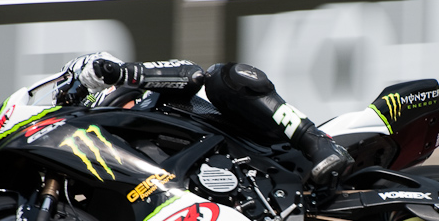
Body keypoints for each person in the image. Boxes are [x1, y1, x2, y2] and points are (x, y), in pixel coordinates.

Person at [59, 52, 353, 188]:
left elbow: (192, 73)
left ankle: (317, 143)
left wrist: (120, 73)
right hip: (224, 196)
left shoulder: (151, 95)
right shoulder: (109, 152)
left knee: (224, 77)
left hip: (265, 150)